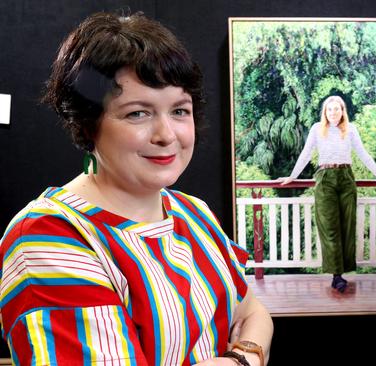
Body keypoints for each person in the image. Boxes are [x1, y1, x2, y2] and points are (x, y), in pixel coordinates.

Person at [0, 12, 273, 366]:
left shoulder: (193, 213)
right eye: (137, 114)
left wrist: (239, 359)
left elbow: (254, 313)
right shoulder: (49, 236)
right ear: (88, 123)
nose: (167, 135)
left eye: (179, 110)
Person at [279, 95, 376, 292]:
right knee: (330, 227)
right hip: (325, 179)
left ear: (342, 111)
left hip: (346, 178)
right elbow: (305, 154)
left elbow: (362, 153)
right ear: (325, 111)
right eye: (329, 109)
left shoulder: (350, 129)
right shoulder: (317, 129)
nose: (333, 113)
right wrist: (291, 176)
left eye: (337, 109)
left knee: (347, 226)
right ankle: (336, 276)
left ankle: (344, 271)